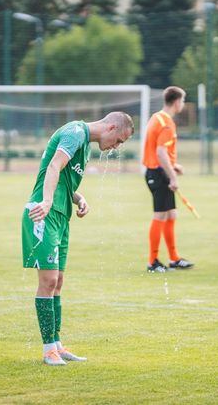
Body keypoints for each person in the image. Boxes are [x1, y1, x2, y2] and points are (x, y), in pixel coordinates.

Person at [22, 112, 135, 366]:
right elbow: (54, 166)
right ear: (112, 127)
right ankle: (48, 350)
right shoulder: (75, 132)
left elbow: (64, 181)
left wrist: (79, 198)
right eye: (119, 140)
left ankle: (57, 345)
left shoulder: (84, 146)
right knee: (48, 280)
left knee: (58, 281)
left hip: (61, 216)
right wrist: (47, 201)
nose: (116, 147)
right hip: (44, 214)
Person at [143, 86, 194, 273]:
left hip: (157, 170)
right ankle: (152, 262)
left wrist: (173, 165)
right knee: (160, 215)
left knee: (171, 214)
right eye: (183, 100)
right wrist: (172, 176)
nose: (183, 104)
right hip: (158, 173)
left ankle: (174, 259)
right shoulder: (166, 123)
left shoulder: (156, 117)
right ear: (177, 101)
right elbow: (160, 152)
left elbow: (158, 151)